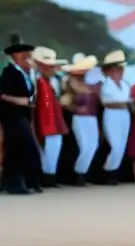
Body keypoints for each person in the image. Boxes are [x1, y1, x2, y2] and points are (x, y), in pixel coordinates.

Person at [0, 35, 43, 194]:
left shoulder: (26, 74)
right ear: (14, 56)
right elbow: (2, 94)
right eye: (22, 53)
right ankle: (15, 183)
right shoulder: (9, 72)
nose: (26, 56)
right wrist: (21, 101)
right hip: (11, 115)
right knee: (20, 148)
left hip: (22, 116)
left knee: (24, 148)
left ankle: (28, 181)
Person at [31, 47, 68, 188]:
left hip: (52, 121)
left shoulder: (49, 82)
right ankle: (46, 176)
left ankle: (50, 176)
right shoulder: (39, 82)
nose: (53, 70)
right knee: (48, 148)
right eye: (50, 67)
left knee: (54, 147)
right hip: (45, 121)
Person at [63, 54, 100, 185]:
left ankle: (82, 173)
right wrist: (76, 109)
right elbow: (64, 102)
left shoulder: (89, 82)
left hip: (92, 118)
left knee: (93, 145)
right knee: (85, 146)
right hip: (80, 118)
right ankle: (78, 174)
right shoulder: (69, 82)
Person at [99, 50, 132, 185]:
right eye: (117, 69)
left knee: (122, 145)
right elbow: (106, 102)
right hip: (112, 115)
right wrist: (123, 103)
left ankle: (114, 173)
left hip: (124, 115)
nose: (119, 72)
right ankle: (107, 170)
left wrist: (127, 104)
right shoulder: (106, 84)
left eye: (121, 69)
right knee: (116, 146)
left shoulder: (125, 84)